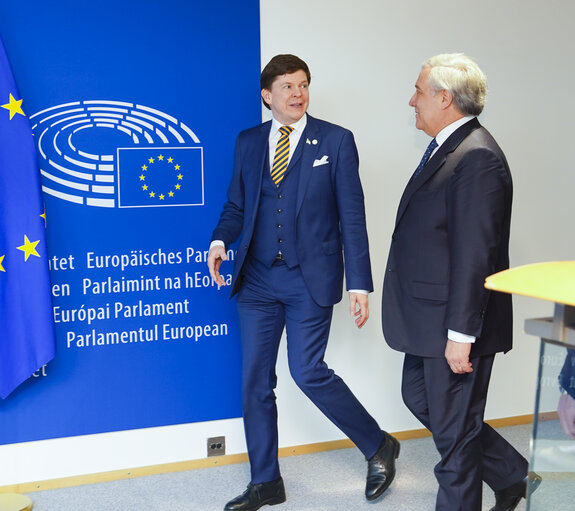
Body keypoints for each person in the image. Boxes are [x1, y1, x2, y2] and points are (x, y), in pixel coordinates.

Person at [208, 54, 397, 511]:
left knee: (307, 371)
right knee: (255, 380)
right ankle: (266, 481)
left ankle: (378, 445)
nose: (298, 94)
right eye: (288, 86)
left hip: (308, 278)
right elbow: (238, 206)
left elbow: (352, 216)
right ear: (267, 95)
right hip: (255, 280)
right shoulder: (249, 142)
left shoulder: (335, 140)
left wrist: (360, 284)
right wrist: (218, 242)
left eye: (304, 85)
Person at [381, 53, 539, 511]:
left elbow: (476, 256)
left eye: (418, 91)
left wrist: (461, 336)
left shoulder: (478, 158)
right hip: (426, 319)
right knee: (421, 400)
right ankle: (512, 474)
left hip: (454, 325)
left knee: (454, 442)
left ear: (444, 98)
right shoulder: (447, 148)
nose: (412, 100)